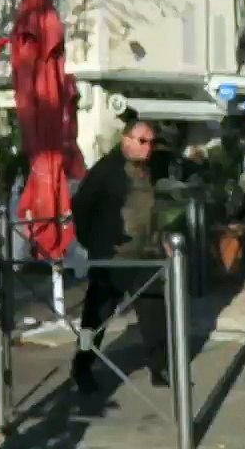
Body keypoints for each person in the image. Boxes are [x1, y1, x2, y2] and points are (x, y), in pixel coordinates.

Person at [70, 118, 170, 392]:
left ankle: (159, 367)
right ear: (126, 140)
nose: (148, 148)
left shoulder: (149, 168)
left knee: (155, 313)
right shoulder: (106, 170)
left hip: (146, 254)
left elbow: (152, 208)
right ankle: (82, 369)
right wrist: (93, 242)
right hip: (112, 257)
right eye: (142, 141)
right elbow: (81, 205)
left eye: (151, 142)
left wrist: (161, 240)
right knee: (96, 317)